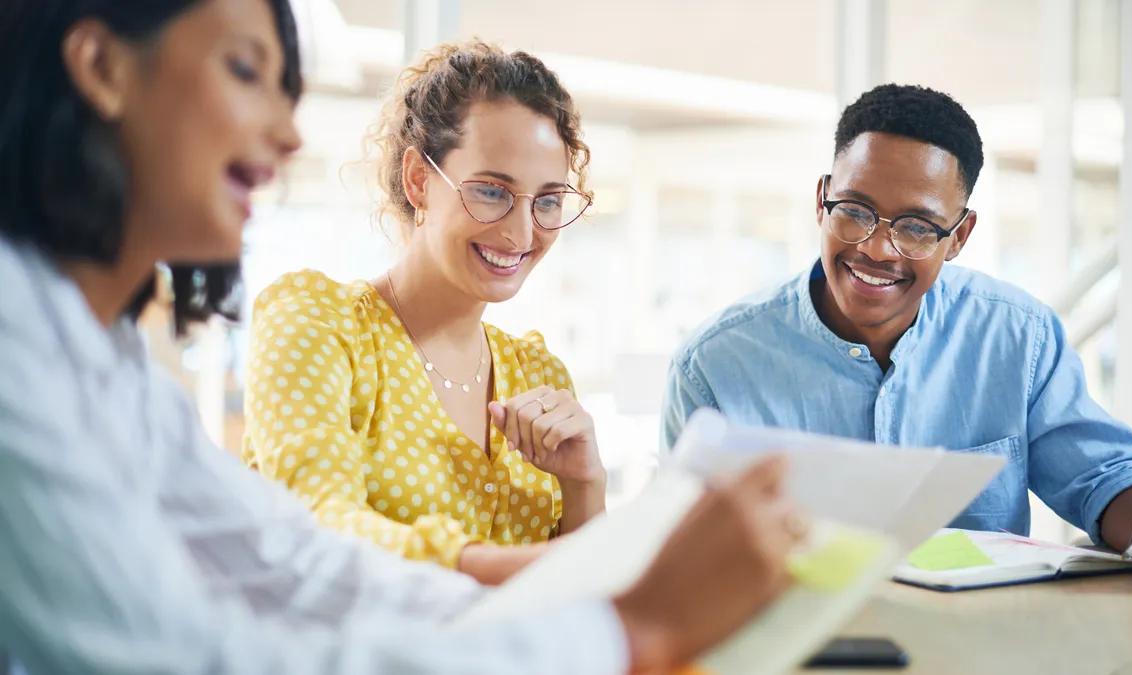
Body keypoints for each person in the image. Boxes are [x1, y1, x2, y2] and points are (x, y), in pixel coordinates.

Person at [0, 1, 804, 673]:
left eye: (549, 200)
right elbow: (200, 648)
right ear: (102, 68)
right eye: (245, 72)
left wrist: (595, 577)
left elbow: (288, 562)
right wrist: (628, 624)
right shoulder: (25, 345)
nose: (287, 136)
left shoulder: (104, 357)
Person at [661, 83, 1132, 592]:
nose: (877, 250)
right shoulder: (712, 365)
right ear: (822, 200)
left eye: (917, 227)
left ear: (959, 237)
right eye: (854, 212)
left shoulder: (1018, 337)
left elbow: (1104, 474)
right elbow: (676, 553)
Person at [241, 42, 606, 585]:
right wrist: (502, 568)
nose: (523, 232)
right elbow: (314, 527)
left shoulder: (540, 375)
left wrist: (585, 485)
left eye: (547, 201)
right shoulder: (319, 327)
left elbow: (584, 612)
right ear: (418, 179)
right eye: (490, 191)